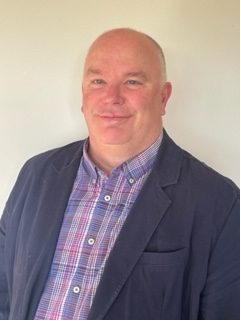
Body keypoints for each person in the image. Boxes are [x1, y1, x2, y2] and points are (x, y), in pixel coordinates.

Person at [0, 28, 240, 320]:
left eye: (132, 81)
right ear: (83, 94)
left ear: (163, 97)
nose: (111, 97)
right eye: (98, 81)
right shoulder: (35, 175)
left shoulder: (221, 204)